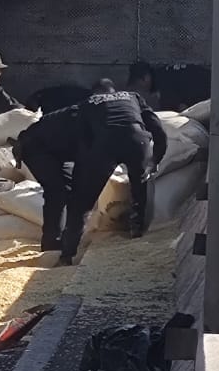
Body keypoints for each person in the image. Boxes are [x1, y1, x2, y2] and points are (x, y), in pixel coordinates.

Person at [62, 79, 168, 262]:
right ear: (114, 90)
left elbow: (81, 139)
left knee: (83, 203)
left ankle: (68, 253)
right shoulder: (133, 97)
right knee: (139, 186)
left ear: (95, 93)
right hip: (137, 140)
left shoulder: (87, 103)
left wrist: (83, 173)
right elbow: (158, 128)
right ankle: (137, 232)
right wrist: (154, 160)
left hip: (105, 144)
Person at [15, 104, 88, 255]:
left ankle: (66, 238)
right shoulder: (91, 122)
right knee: (57, 192)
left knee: (70, 189)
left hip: (58, 151)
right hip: (34, 147)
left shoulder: (95, 119)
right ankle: (52, 243)